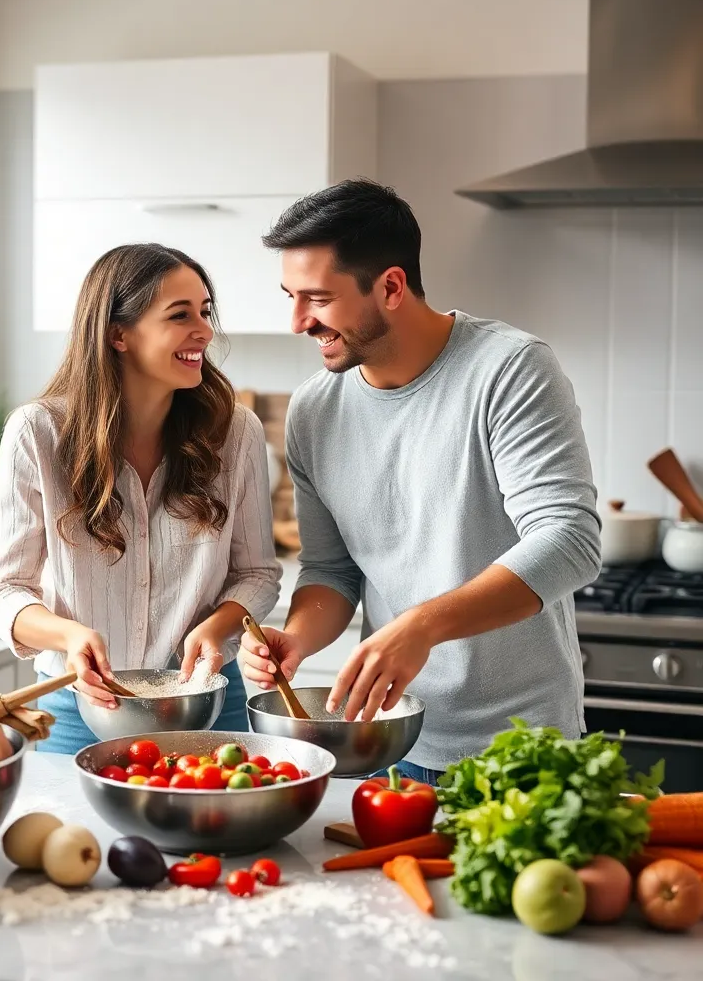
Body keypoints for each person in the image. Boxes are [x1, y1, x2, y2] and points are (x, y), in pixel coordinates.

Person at [239, 179, 601, 784]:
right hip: (392, 744)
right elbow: (333, 571)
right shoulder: (313, 410)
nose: (298, 320)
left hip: (525, 750)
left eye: (318, 299)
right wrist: (296, 637)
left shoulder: (509, 370)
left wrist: (421, 624)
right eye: (291, 297)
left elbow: (569, 540)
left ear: (391, 286)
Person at [0, 243, 280, 753]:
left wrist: (216, 626)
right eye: (180, 315)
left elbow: (257, 573)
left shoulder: (235, 432)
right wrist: (68, 636)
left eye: (205, 312)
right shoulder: (38, 433)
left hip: (205, 703)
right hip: (82, 708)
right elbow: (4, 591)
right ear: (118, 334)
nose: (204, 330)